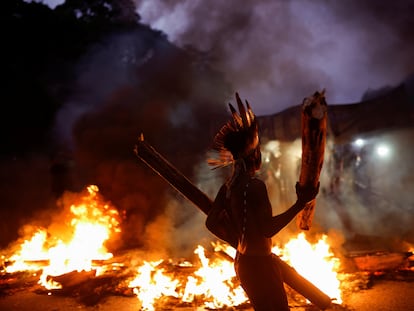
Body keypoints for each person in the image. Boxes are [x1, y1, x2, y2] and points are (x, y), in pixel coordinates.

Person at [206, 93, 319, 311]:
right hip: (260, 265)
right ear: (252, 155)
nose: (261, 154)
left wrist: (239, 238)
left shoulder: (228, 187)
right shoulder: (255, 186)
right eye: (258, 149)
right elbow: (268, 228)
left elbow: (211, 223)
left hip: (243, 263)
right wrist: (300, 203)